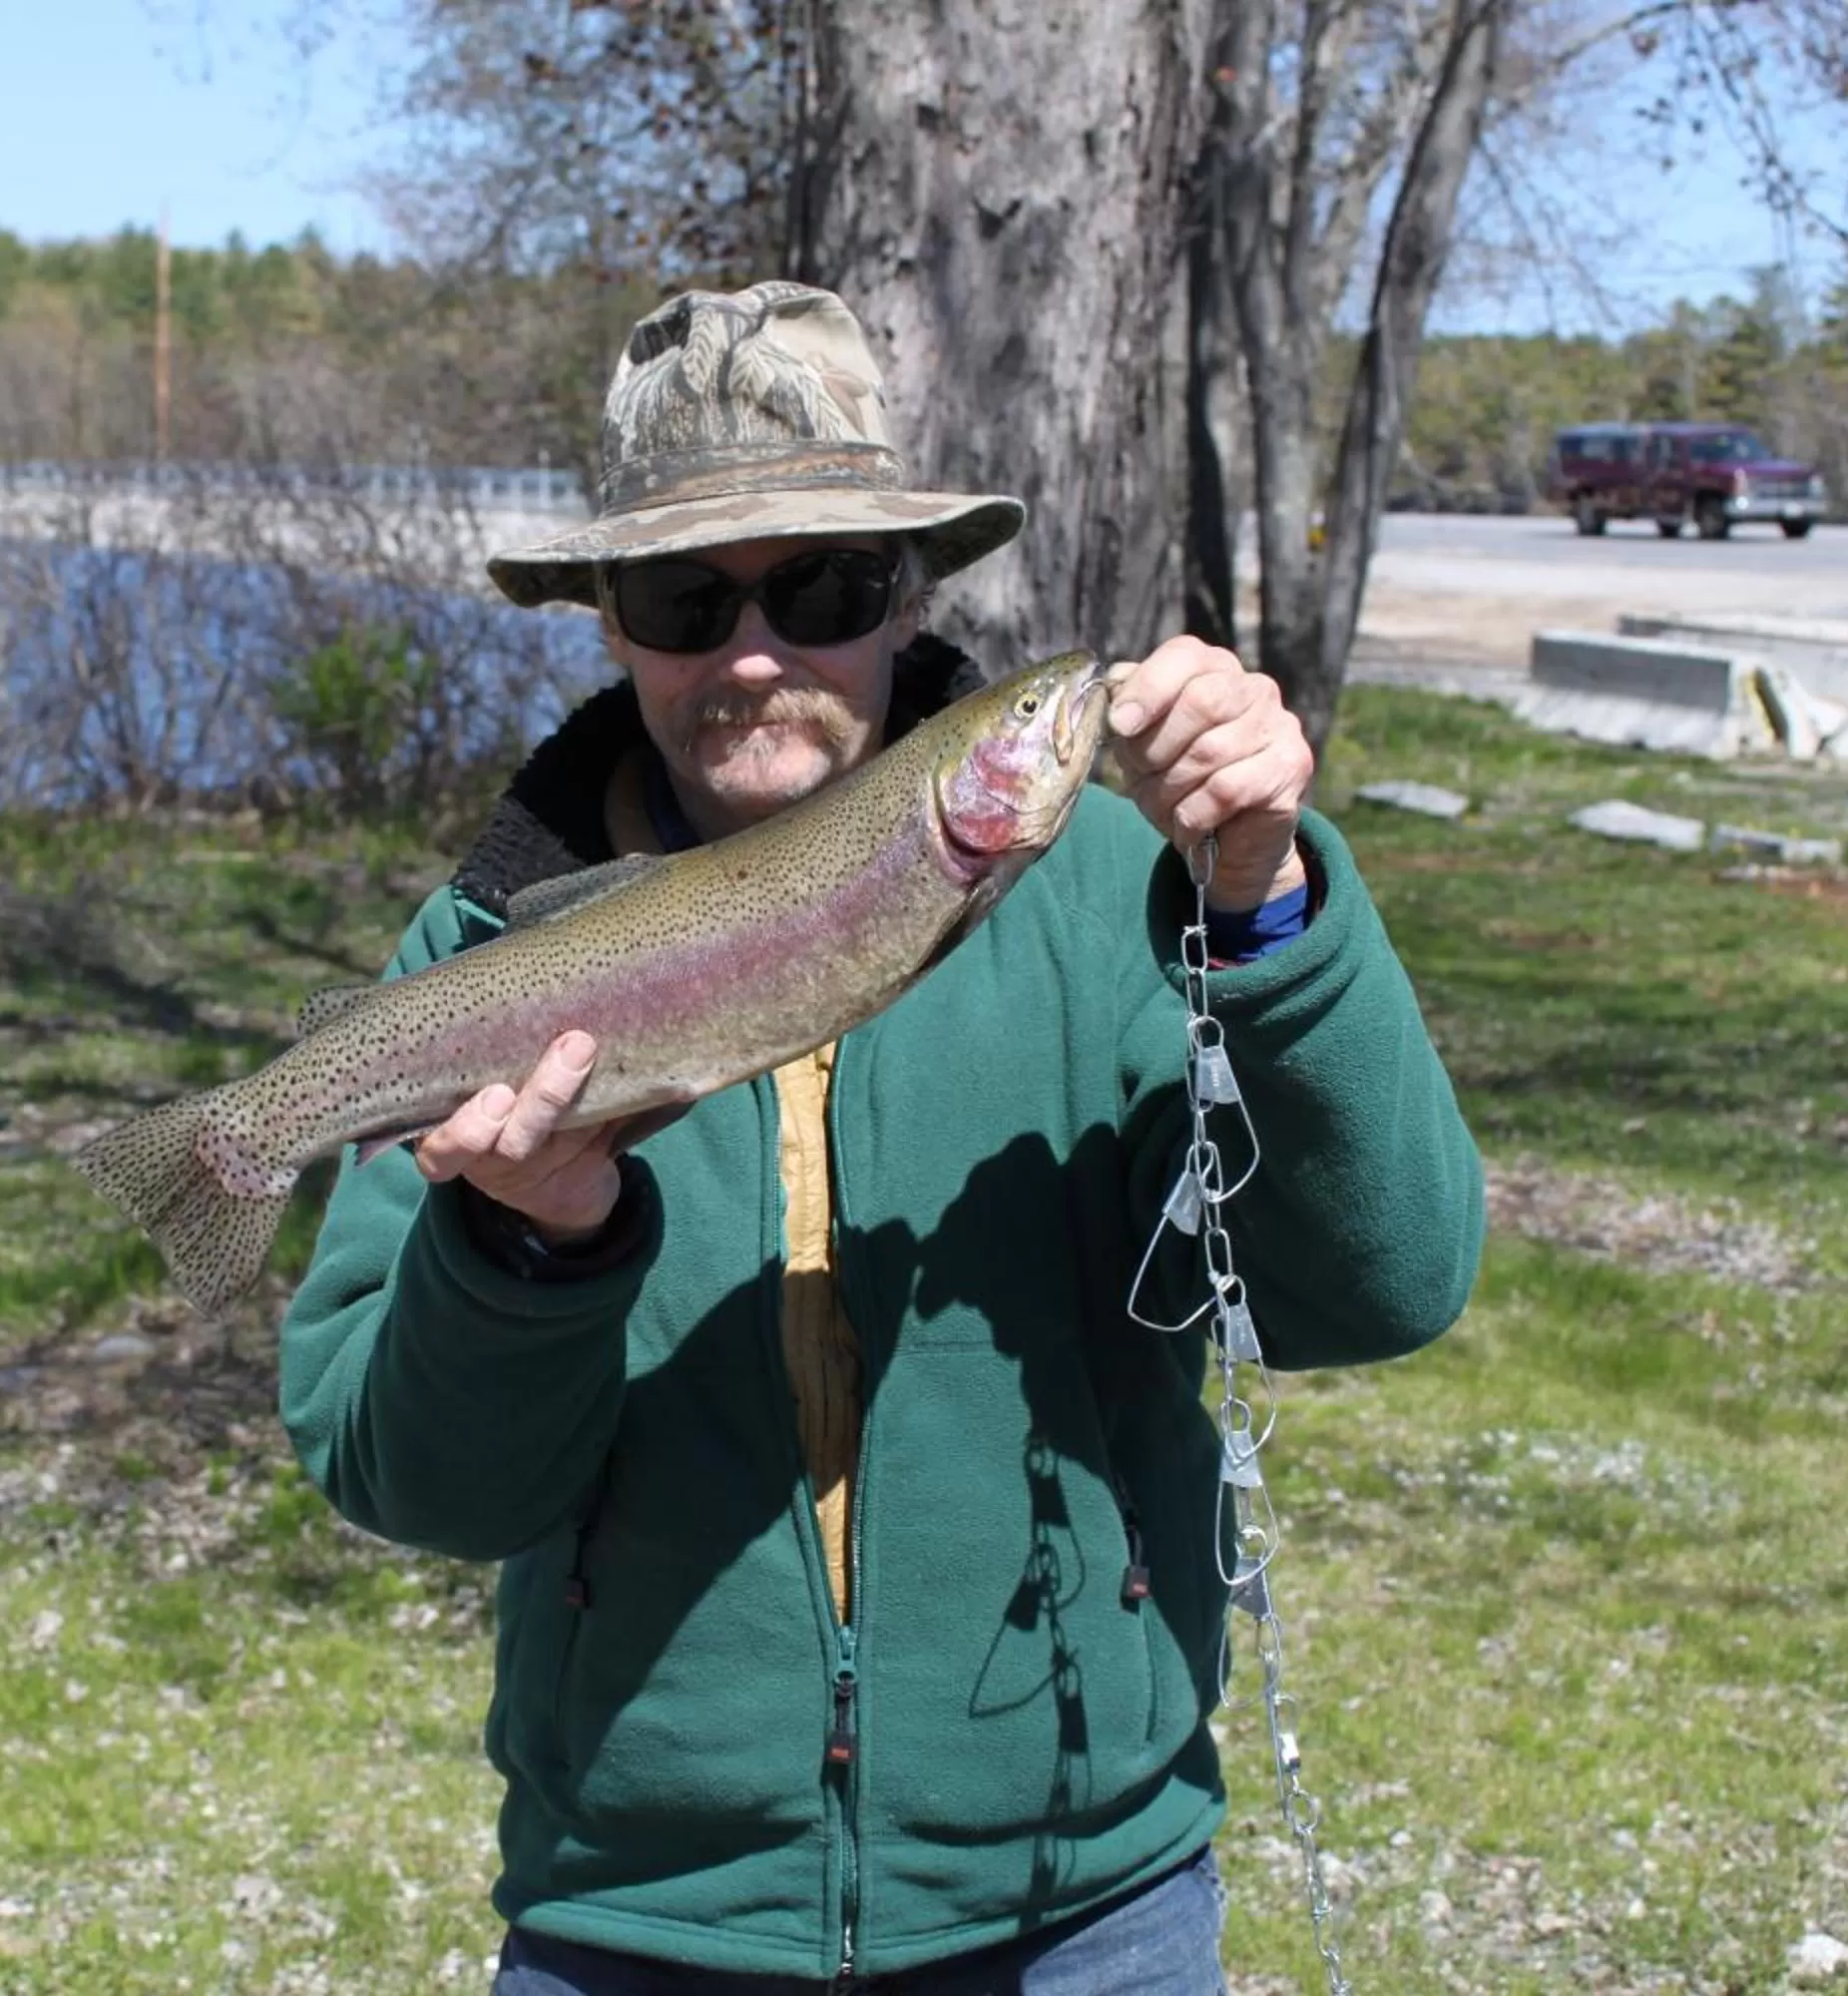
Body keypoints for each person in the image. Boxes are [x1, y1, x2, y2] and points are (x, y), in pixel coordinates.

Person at [276, 281, 1482, 1992]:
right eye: (686, 593)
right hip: (638, 1925)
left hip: (1082, 1910)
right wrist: (527, 1246)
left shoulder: (1117, 907)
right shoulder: (485, 962)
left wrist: (1269, 910)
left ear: (909, 594)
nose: (754, 650)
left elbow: (1389, 1284)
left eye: (825, 587)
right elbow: (414, 1483)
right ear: (610, 619)